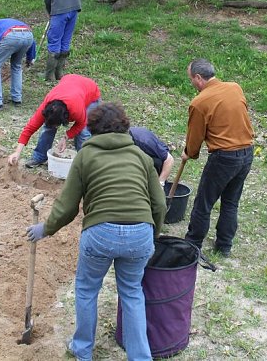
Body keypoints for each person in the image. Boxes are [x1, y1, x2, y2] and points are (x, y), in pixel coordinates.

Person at [26, 102, 166, 361]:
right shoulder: (142, 157)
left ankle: (82, 350)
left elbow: (68, 205)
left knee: (87, 289)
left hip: (100, 232)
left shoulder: (85, 156)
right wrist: (152, 236)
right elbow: (159, 204)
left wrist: (46, 228)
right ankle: (140, 357)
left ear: (92, 129)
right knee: (132, 293)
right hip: (140, 233)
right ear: (125, 127)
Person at [182, 58, 254, 258]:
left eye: (191, 79)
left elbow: (195, 135)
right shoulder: (235, 88)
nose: (191, 83)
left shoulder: (199, 102)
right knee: (231, 202)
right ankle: (224, 246)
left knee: (203, 203)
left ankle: (192, 245)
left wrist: (189, 152)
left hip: (224, 157)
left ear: (198, 77)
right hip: (247, 152)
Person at [7, 74, 101, 168]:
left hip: (90, 92)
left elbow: (81, 123)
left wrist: (66, 137)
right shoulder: (47, 108)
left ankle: (86, 163)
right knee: (47, 128)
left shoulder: (76, 110)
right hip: (69, 83)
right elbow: (30, 128)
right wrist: (17, 152)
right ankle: (40, 157)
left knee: (83, 133)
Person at [40, 0, 86, 81]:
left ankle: (49, 76)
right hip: (74, 9)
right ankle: (59, 73)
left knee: (54, 40)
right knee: (65, 40)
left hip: (59, 12)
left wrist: (50, 11)